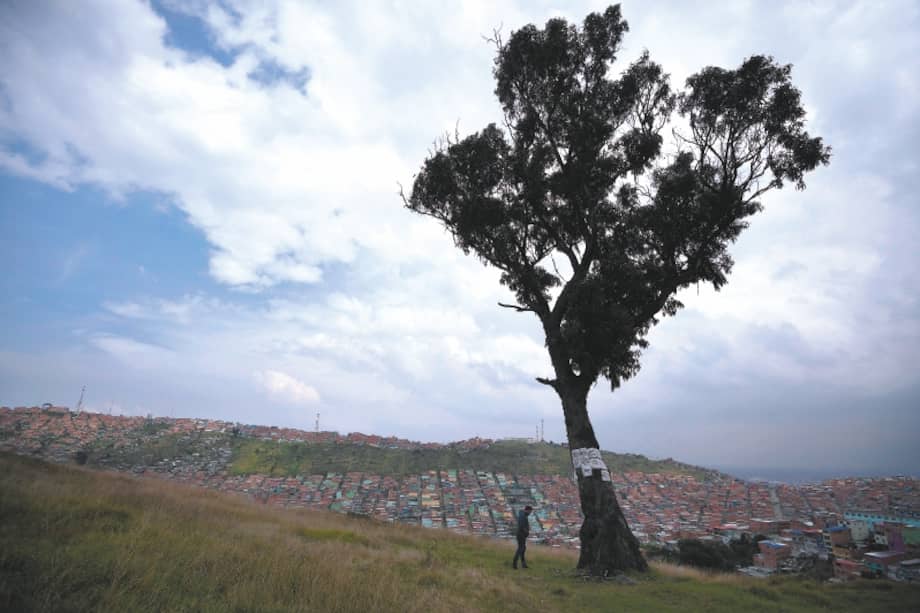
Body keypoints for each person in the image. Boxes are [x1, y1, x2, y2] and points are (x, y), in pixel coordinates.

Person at [512, 505, 533, 569]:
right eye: (530, 512)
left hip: (521, 534)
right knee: (520, 548)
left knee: (523, 548)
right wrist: (526, 532)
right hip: (521, 534)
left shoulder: (523, 515)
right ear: (528, 510)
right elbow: (522, 526)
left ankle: (523, 564)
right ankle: (514, 563)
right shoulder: (523, 516)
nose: (530, 513)